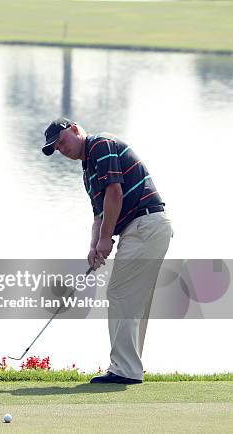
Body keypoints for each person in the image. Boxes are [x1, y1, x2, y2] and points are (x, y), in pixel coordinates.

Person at [42, 117, 173, 384]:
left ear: (75, 128)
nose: (61, 149)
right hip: (145, 228)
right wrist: (94, 246)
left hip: (145, 225)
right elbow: (99, 214)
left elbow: (115, 193)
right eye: (55, 148)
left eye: (62, 141)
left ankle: (125, 370)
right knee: (133, 300)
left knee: (120, 293)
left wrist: (105, 241)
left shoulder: (100, 144)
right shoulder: (88, 169)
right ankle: (130, 367)